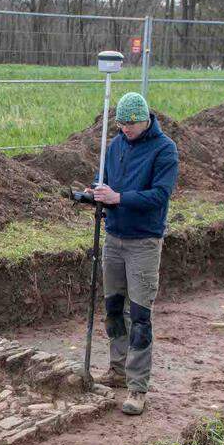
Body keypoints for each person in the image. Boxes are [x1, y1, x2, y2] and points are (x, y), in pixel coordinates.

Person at [90, 91, 179, 416]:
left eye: (130, 124)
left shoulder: (164, 150)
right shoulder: (115, 146)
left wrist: (118, 198)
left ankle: (137, 387)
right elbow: (108, 183)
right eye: (121, 124)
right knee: (114, 308)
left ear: (145, 120)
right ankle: (117, 369)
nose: (125, 129)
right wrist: (96, 192)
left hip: (143, 242)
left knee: (140, 317)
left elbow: (159, 195)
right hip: (114, 237)